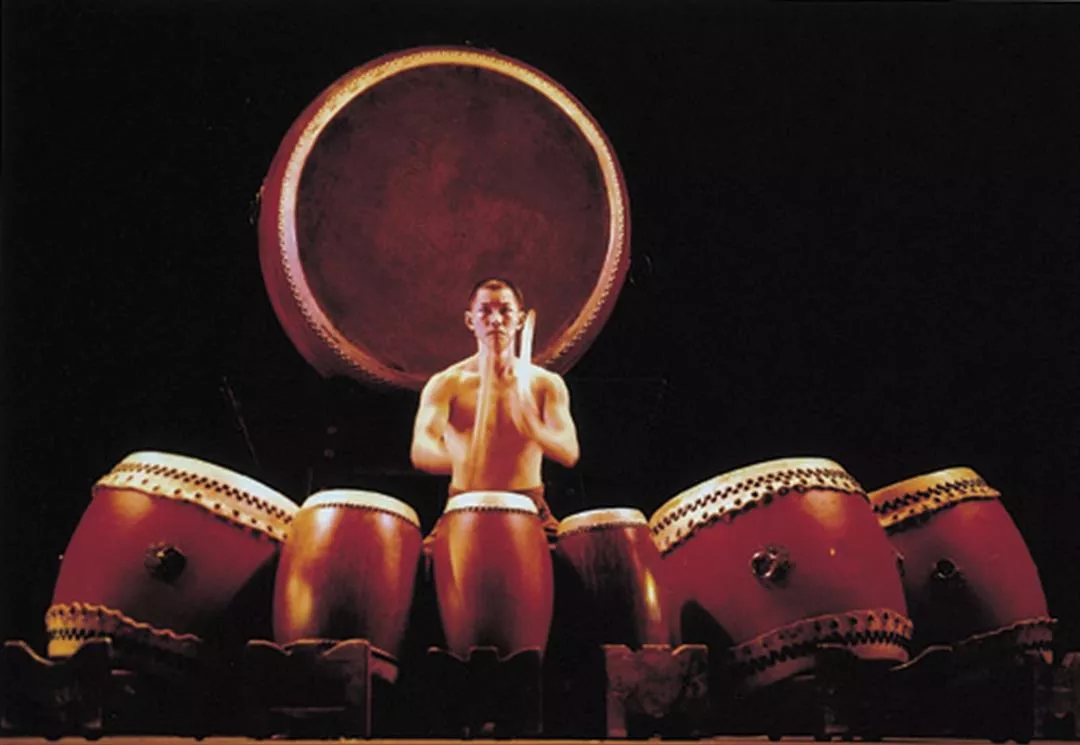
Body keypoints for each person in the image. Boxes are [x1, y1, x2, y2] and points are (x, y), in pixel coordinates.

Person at [410, 277, 580, 543]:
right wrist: (460, 460)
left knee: (576, 565)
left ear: (520, 320)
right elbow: (421, 448)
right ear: (470, 321)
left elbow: (569, 451)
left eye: (505, 311)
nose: (496, 320)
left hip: (530, 506)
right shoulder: (447, 384)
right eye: (485, 311)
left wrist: (535, 429)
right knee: (424, 566)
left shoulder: (545, 384)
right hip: (464, 503)